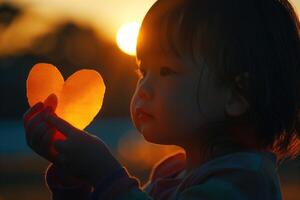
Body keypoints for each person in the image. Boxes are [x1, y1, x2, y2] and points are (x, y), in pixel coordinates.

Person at [23, 0, 300, 199]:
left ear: (237, 95)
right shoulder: (171, 173)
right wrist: (75, 181)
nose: (144, 88)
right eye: (143, 71)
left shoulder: (244, 182)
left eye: (166, 71)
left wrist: (105, 175)